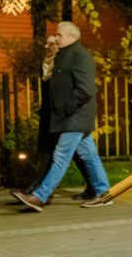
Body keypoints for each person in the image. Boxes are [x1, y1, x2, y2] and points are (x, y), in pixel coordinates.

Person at [12, 22, 111, 212]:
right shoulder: (66, 55)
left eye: (59, 35)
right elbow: (50, 79)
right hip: (71, 116)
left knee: (61, 156)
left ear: (72, 36)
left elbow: (86, 90)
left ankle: (40, 196)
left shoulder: (80, 56)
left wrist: (65, 108)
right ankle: (105, 195)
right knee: (90, 156)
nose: (56, 38)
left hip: (75, 116)